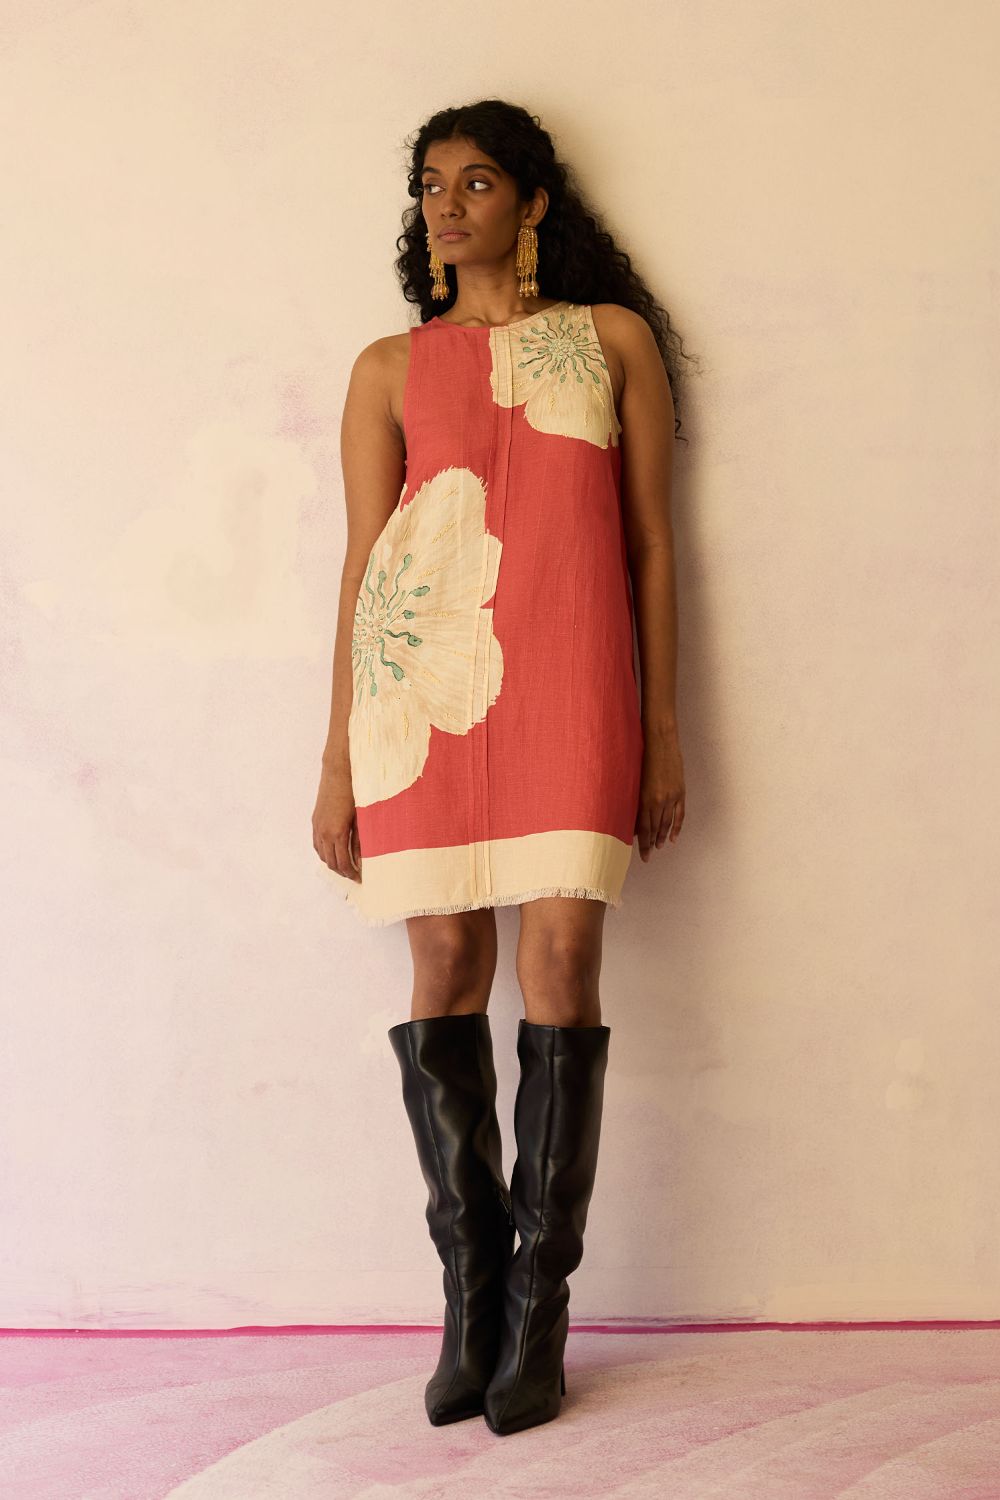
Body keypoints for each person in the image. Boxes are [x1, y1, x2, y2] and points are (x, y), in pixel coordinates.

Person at [312, 98, 690, 1435]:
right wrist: (338, 759)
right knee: (444, 968)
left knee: (564, 965)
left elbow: (651, 544)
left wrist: (662, 729)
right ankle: (471, 1303)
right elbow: (365, 568)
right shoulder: (386, 368)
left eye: (477, 183)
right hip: (421, 692)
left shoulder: (612, 343)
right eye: (431, 185)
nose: (447, 205)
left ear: (533, 204)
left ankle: (539, 1314)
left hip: (576, 682)